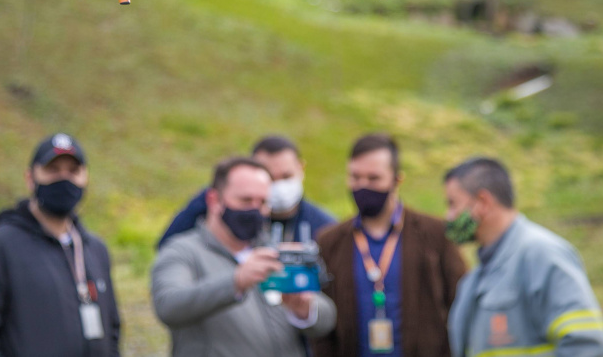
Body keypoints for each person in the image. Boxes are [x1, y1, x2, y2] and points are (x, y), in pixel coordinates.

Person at [0, 133, 121, 357]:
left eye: (73, 171)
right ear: (30, 178)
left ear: (85, 177)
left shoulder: (95, 250)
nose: (64, 179)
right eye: (53, 170)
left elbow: (112, 331)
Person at [151, 156, 336, 357]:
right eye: (246, 200)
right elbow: (168, 306)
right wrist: (236, 281)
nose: (255, 210)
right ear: (214, 200)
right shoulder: (183, 251)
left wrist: (305, 309)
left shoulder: (272, 249)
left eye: (263, 202)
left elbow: (326, 321)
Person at [312, 134, 467, 357]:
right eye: (355, 177)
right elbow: (322, 323)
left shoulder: (434, 235)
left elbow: (461, 302)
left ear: (397, 180)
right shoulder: (330, 241)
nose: (362, 186)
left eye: (373, 178)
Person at [443, 157, 603, 357]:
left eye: (453, 204)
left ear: (483, 202)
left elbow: (587, 348)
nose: (449, 216)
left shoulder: (542, 255)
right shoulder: (477, 276)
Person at [158, 135, 335, 247]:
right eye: (269, 177)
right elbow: (168, 248)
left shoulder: (323, 225)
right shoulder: (216, 203)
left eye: (286, 176)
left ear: (301, 168)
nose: (278, 186)